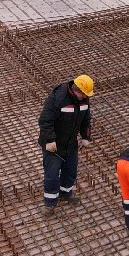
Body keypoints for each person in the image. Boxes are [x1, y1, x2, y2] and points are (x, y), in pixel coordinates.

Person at [39, 75, 94, 209]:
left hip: (70, 144)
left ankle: (65, 194)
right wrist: (50, 140)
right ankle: (50, 204)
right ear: (77, 90)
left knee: (70, 171)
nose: (85, 97)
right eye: (84, 94)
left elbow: (86, 120)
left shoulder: (84, 100)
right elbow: (45, 120)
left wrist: (86, 137)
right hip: (54, 145)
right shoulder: (58, 99)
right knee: (52, 175)